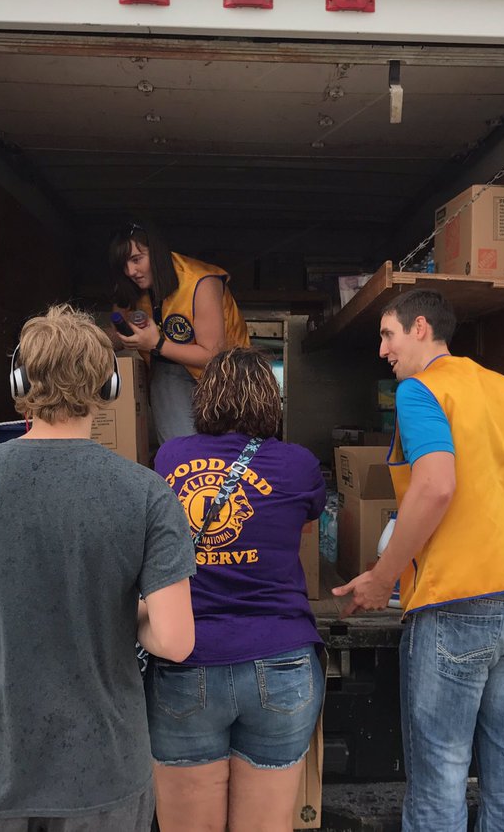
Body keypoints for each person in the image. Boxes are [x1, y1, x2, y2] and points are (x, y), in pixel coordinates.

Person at [0, 304, 197, 831]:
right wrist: (118, 611)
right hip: (105, 774)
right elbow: (175, 641)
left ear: (20, 381)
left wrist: (11, 609)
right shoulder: (147, 493)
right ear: (108, 386)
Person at [333, 289, 504, 832]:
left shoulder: (422, 392)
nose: (381, 350)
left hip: (455, 608)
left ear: (421, 328)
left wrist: (382, 577)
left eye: (387, 335)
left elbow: (436, 486)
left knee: (441, 769)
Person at [148, 348, 326, 832]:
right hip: (282, 660)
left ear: (203, 400)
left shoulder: (172, 456)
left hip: (188, 661)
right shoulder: (299, 464)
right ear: (272, 402)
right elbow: (304, 525)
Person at [110, 223, 251, 444]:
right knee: (184, 452)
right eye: (124, 264)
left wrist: (156, 344)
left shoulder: (201, 282)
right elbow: (121, 334)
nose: (130, 271)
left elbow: (213, 356)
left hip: (228, 375)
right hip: (171, 372)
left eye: (137, 259)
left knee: (227, 453)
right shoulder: (128, 286)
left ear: (156, 254)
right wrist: (87, 341)